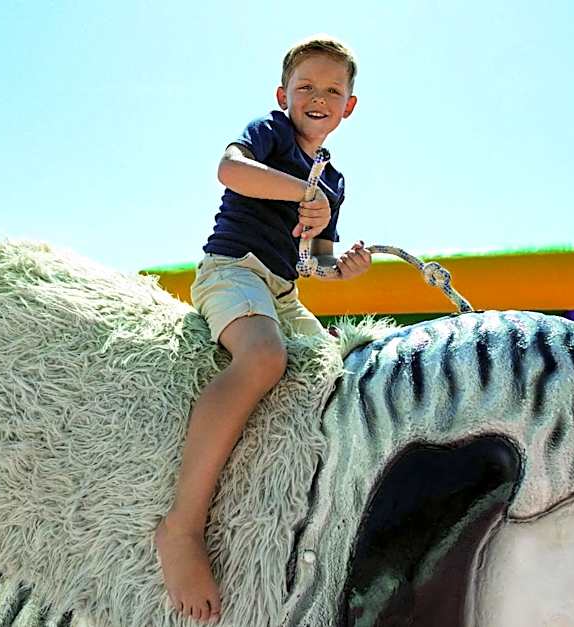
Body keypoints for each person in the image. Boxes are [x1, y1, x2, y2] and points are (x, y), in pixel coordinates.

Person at [154, 35, 371, 623]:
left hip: (282, 287)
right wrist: (302, 190)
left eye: (332, 90)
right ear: (284, 95)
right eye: (306, 87)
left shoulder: (336, 181)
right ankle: (181, 526)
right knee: (263, 359)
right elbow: (229, 170)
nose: (317, 97)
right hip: (233, 271)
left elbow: (315, 264)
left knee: (340, 373)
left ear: (349, 106)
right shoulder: (269, 133)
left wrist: (342, 268)